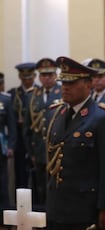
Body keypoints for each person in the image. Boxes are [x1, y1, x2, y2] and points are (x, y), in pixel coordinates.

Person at [45, 56, 105, 230]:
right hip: (62, 205)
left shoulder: (103, 117)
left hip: (88, 208)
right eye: (64, 83)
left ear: (88, 85)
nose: (65, 88)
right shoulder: (57, 114)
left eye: (71, 83)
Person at [24, 58, 62, 206]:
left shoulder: (62, 92)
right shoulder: (32, 95)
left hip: (57, 150)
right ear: (39, 77)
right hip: (39, 150)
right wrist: (31, 152)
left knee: (57, 188)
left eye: (50, 75)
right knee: (41, 187)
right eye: (44, 75)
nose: (47, 78)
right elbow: (27, 128)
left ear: (55, 75)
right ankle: (44, 222)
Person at [7, 62, 38, 189]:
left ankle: (38, 205)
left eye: (29, 78)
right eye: (24, 78)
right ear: (20, 77)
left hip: (34, 138)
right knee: (20, 174)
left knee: (37, 175)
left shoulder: (40, 93)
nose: (27, 81)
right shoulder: (13, 94)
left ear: (34, 76)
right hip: (19, 139)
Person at [0, 72, 17, 216]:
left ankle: (3, 214)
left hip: (1, 146)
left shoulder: (5, 100)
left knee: (2, 181)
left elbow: (12, 126)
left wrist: (11, 146)